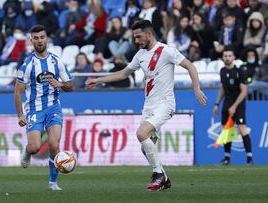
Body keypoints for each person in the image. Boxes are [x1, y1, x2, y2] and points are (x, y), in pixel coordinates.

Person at [85, 20, 207, 192]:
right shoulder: (140, 55)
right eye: (134, 37)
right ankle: (164, 178)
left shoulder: (166, 51)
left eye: (138, 36)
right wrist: (99, 80)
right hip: (149, 105)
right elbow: (123, 73)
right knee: (146, 147)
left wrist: (196, 88)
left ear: (149, 34)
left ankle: (158, 174)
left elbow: (190, 66)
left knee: (141, 133)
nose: (136, 40)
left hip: (165, 103)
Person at [14, 25, 74, 191]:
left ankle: (53, 183)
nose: (39, 40)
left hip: (54, 108)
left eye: (42, 37)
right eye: (36, 38)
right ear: (31, 40)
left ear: (46, 38)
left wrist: (60, 84)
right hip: (34, 110)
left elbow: (71, 86)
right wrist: (20, 115)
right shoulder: (27, 65)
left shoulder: (57, 61)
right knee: (35, 147)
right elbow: (17, 93)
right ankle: (27, 151)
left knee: (54, 145)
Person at [213, 49, 253, 166]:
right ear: (223, 58)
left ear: (234, 57)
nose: (227, 58)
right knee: (226, 130)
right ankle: (227, 158)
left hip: (239, 104)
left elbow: (244, 92)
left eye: (230, 56)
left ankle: (249, 158)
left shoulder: (240, 71)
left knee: (242, 128)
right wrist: (217, 104)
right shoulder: (222, 71)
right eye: (225, 56)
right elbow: (223, 89)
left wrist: (234, 106)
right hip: (227, 104)